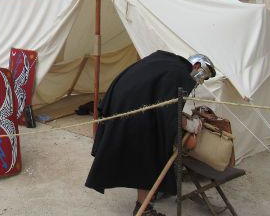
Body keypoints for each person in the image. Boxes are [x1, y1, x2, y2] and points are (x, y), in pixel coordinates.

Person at [85, 51, 216, 216]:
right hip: (132, 110)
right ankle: (144, 208)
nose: (201, 79)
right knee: (152, 154)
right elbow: (167, 110)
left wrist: (181, 118)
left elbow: (160, 98)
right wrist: (189, 124)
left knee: (145, 157)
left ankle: (144, 205)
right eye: (203, 74)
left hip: (125, 103)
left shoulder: (168, 62)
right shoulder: (179, 73)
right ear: (197, 66)